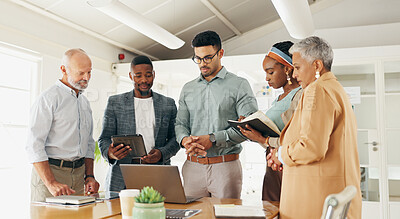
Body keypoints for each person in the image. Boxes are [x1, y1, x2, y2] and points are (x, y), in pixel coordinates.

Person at [267, 36, 362, 218]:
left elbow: (311, 147)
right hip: (332, 189)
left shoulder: (317, 90)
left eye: (297, 67)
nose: (294, 75)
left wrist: (281, 154)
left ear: (317, 66)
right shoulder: (335, 88)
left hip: (314, 198)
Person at [175, 30, 258, 199]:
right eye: (197, 59)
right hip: (192, 167)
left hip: (225, 168)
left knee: (225, 217)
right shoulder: (188, 88)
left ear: (220, 53)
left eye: (207, 58)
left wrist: (212, 139)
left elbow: (248, 127)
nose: (202, 63)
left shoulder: (239, 85)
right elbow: (180, 124)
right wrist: (185, 140)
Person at [26, 48, 99, 202]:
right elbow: (34, 145)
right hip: (51, 175)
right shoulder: (48, 99)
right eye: (81, 73)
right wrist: (51, 182)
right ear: (64, 70)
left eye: (89, 72)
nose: (86, 78)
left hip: (79, 176)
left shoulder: (84, 102)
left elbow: (89, 143)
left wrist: (90, 175)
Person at [98, 55, 180, 192]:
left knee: (158, 212)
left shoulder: (168, 104)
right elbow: (104, 139)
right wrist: (110, 153)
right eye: (138, 76)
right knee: (120, 213)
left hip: (158, 171)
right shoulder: (115, 103)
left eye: (148, 75)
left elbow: (176, 139)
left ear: (154, 75)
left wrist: (161, 153)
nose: (144, 80)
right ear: (131, 76)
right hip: (122, 174)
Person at [237, 41, 302, 201]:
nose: (266, 78)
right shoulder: (279, 98)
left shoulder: (301, 96)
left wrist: (261, 138)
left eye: (270, 72)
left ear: (287, 69)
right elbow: (273, 134)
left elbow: (296, 139)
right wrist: (253, 128)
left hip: (287, 163)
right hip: (272, 161)